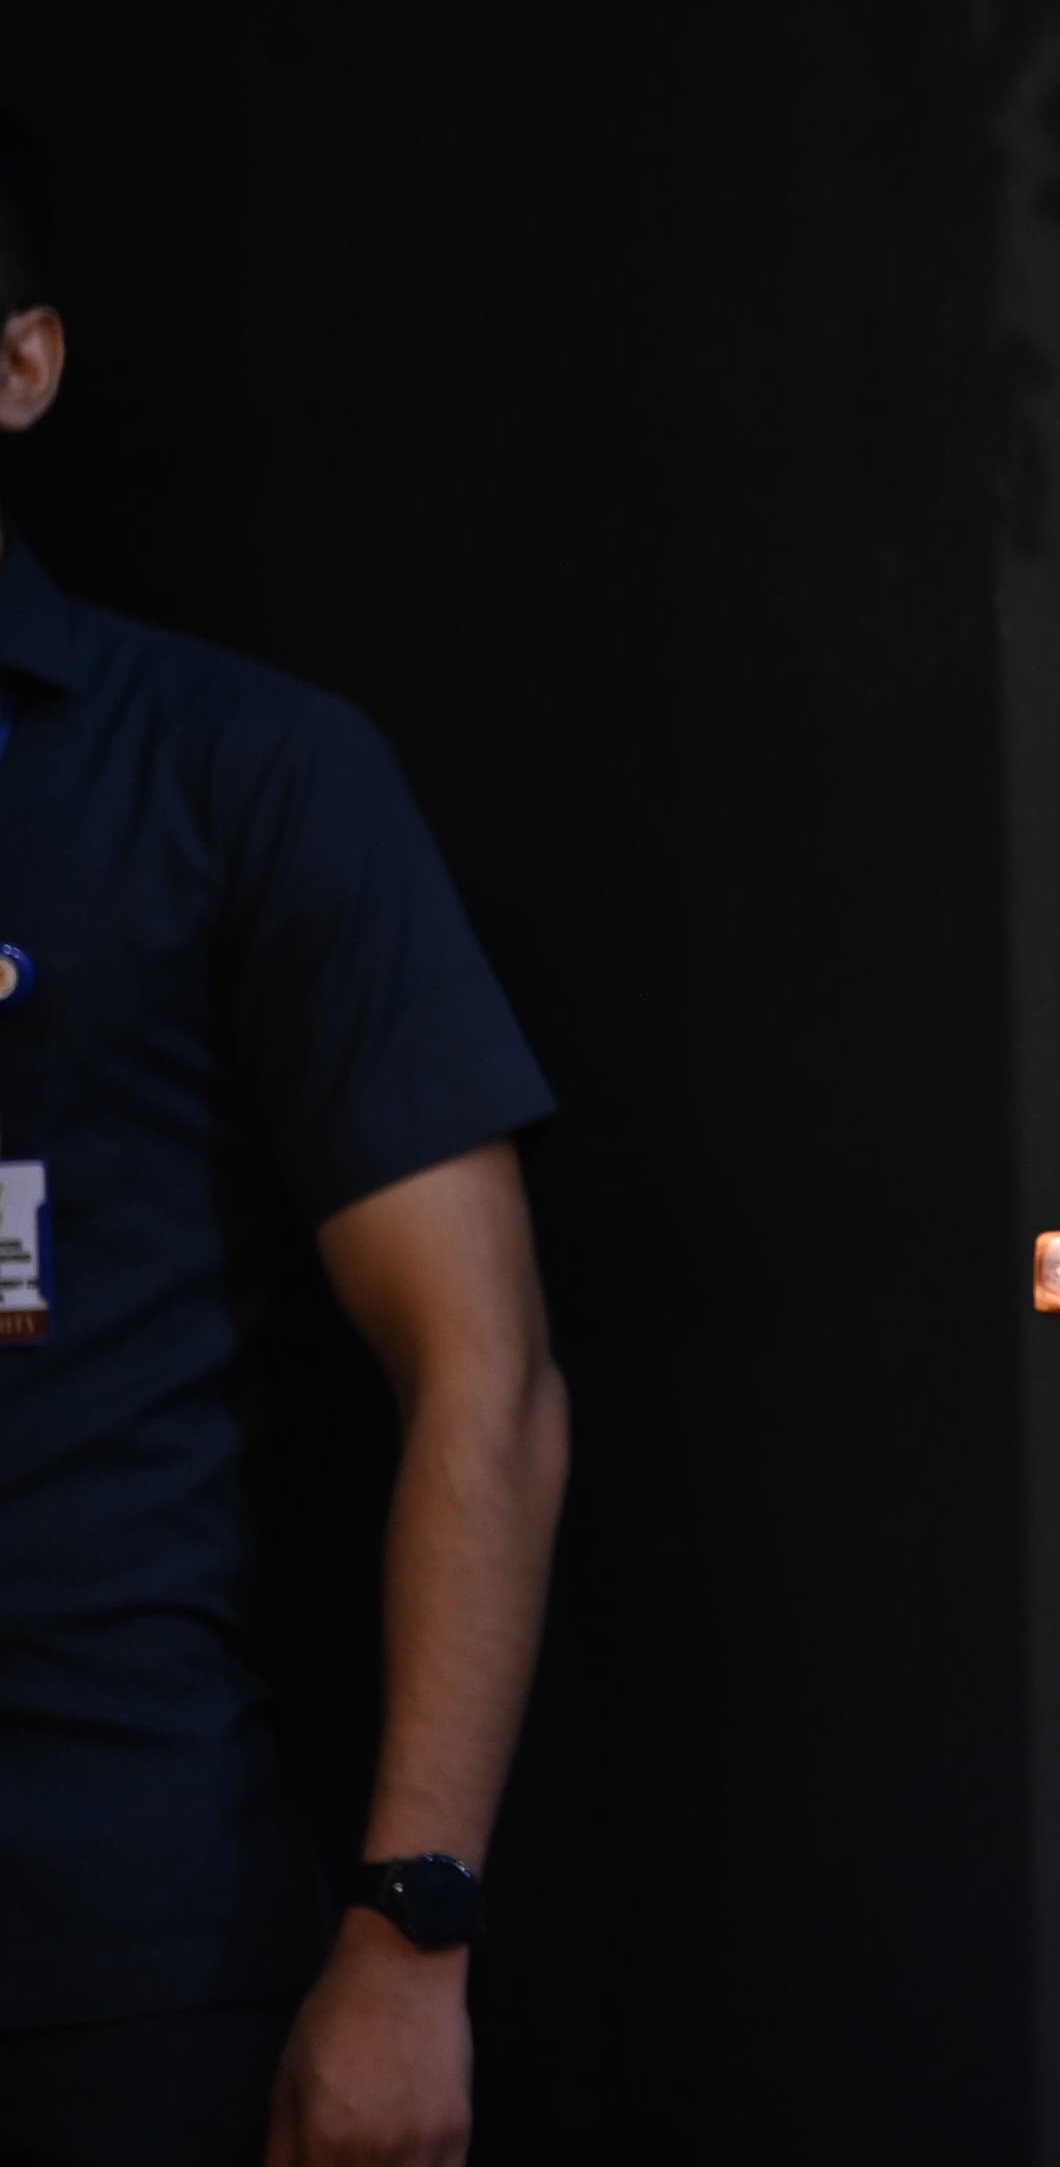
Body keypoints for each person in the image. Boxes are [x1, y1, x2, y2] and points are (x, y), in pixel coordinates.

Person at [0, 122, 570, 2167]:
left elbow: (482, 1379)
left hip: (112, 1953)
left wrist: (413, 1930)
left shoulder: (241, 772)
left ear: (26, 366)